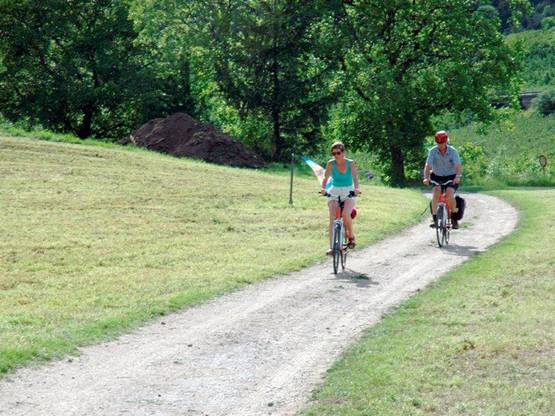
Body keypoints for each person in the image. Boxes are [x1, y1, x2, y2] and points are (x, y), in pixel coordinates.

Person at [321, 142, 360, 254]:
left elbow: (355, 178)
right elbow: (325, 178)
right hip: (334, 190)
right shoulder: (331, 164)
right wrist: (323, 189)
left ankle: (351, 236)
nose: (336, 155)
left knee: (345, 214)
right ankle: (332, 247)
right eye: (333, 153)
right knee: (333, 218)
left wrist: (356, 189)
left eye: (338, 153)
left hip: (348, 190)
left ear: (343, 152)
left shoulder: (350, 163)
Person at [423, 130, 462, 229]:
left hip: (451, 176)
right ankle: (435, 218)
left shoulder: (453, 151)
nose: (440, 145)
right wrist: (426, 178)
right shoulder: (432, 151)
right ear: (436, 142)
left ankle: (453, 218)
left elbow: (457, 165)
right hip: (437, 176)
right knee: (436, 192)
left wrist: (457, 176)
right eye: (438, 143)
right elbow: (428, 166)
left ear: (446, 141)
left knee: (449, 194)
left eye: (442, 143)